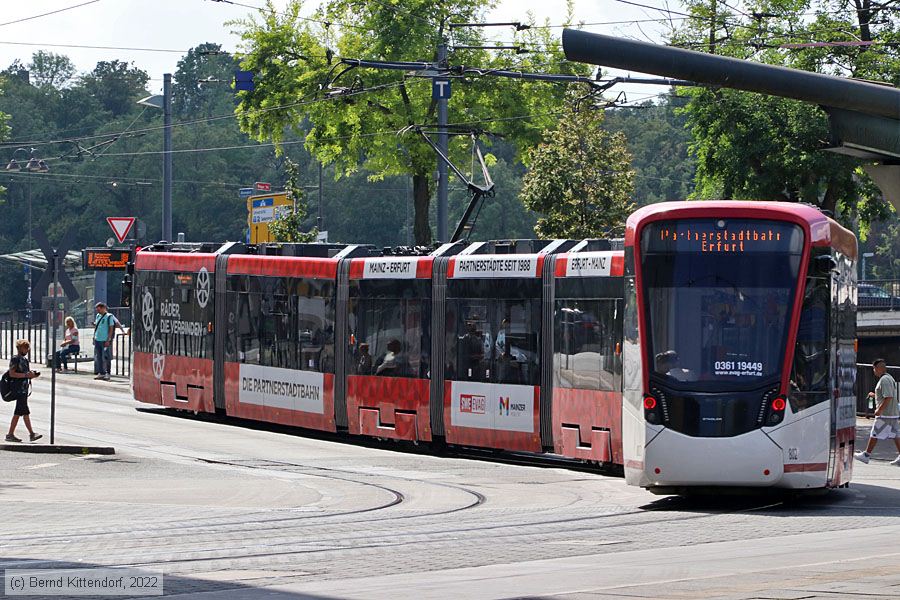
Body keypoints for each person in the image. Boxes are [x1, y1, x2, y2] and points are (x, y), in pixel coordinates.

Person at [855, 359, 900, 465]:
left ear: (879, 368)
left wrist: (879, 410)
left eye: (874, 369)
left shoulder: (884, 380)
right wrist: (875, 396)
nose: (874, 371)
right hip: (892, 413)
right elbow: (886, 396)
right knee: (895, 435)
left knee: (874, 434)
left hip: (886, 414)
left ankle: (866, 455)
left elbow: (888, 397)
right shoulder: (889, 378)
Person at [6, 339, 42, 443]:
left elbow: (26, 374)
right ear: (20, 348)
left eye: (28, 348)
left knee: (21, 412)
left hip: (24, 389)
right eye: (25, 347)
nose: (27, 350)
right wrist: (26, 375)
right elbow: (12, 374)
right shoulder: (15, 359)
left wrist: (32, 375)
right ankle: (28, 434)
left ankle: (13, 434)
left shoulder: (25, 360)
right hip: (18, 389)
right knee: (22, 411)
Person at [92, 302, 119, 380]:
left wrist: (108, 339)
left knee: (106, 357)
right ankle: (101, 373)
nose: (98, 311)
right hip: (98, 339)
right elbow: (97, 326)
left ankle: (108, 372)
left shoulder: (109, 316)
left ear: (104, 308)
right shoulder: (98, 316)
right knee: (99, 357)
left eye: (99, 309)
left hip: (105, 340)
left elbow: (111, 328)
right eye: (97, 310)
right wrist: (94, 337)